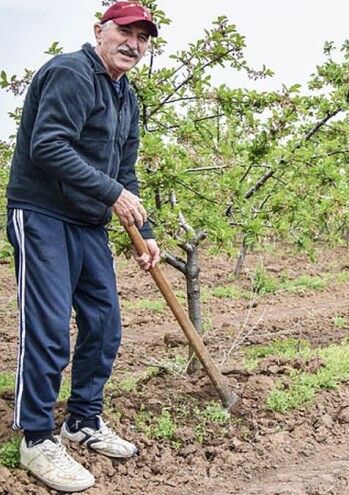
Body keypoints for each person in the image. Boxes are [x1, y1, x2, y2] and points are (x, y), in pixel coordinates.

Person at [5, 2, 161, 492]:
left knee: (104, 322)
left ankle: (83, 421)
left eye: (143, 37)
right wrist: (112, 193)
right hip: (43, 213)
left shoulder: (126, 97)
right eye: (125, 32)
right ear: (100, 30)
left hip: (87, 220)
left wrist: (146, 230)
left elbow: (125, 173)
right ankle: (35, 438)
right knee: (50, 328)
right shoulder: (72, 72)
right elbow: (47, 146)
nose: (133, 44)